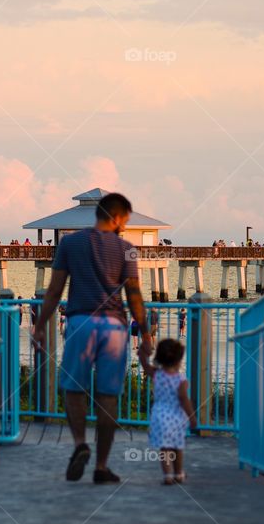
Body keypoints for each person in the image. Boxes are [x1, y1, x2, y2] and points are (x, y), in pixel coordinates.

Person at [31, 192, 152, 484]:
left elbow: (55, 290)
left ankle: (79, 444)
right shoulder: (127, 249)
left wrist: (39, 327)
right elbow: (134, 295)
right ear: (119, 217)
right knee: (108, 395)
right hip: (114, 326)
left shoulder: (69, 243)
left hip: (80, 321)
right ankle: (101, 466)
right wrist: (146, 333)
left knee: (73, 388)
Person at [144, 339, 196, 484]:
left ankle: (167, 475)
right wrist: (192, 417)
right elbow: (183, 399)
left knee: (165, 448)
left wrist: (142, 354)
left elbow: (145, 366)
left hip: (159, 416)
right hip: (176, 418)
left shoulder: (156, 374)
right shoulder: (181, 380)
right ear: (179, 359)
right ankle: (179, 473)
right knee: (178, 447)